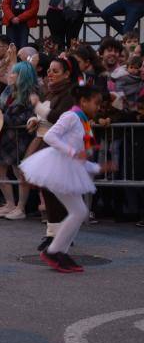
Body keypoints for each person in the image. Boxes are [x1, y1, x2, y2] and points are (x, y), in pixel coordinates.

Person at [21, 85, 114, 272]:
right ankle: (55, 251)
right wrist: (71, 152)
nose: (98, 107)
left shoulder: (84, 123)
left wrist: (97, 167)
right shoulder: (71, 116)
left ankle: (59, 251)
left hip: (67, 168)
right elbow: (50, 137)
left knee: (79, 211)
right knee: (79, 211)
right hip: (58, 168)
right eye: (96, 103)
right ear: (84, 102)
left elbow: (81, 157)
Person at [25, 57, 79, 252]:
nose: (50, 74)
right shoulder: (50, 91)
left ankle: (61, 234)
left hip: (59, 147)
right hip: (45, 144)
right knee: (48, 191)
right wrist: (34, 119)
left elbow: (60, 118)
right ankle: (54, 232)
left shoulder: (70, 94)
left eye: (56, 71)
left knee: (57, 192)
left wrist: (38, 106)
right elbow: (44, 115)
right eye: (49, 70)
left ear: (66, 74)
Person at [0, 61, 39, 220]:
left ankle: (21, 207)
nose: (10, 75)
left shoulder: (31, 94)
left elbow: (28, 117)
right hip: (3, 137)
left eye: (14, 73)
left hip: (20, 139)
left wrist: (3, 119)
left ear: (22, 76)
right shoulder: (8, 90)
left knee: (20, 173)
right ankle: (10, 203)